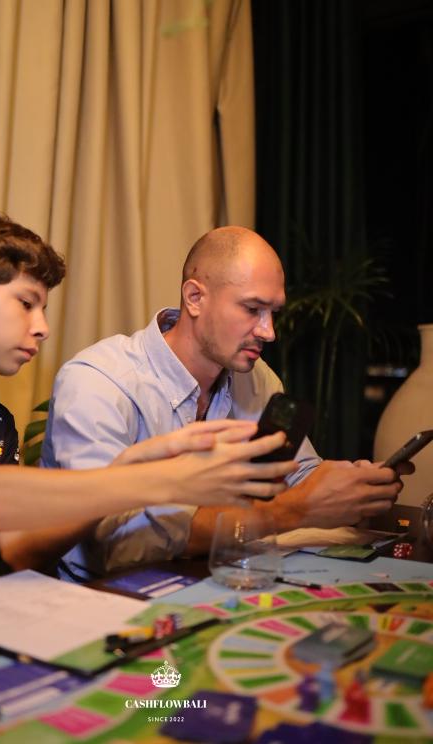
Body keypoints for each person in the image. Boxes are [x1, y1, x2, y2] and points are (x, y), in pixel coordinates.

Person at [0, 211, 296, 639]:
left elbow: (16, 548)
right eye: (26, 304)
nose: (42, 328)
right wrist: (162, 480)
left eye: (43, 309)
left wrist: (123, 470)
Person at [41, 226, 406, 577]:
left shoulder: (257, 377)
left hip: (209, 577)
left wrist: (351, 485)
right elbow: (112, 542)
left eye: (273, 313)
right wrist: (292, 511)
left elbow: (297, 474)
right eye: (252, 309)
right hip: (102, 596)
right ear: (194, 298)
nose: (269, 332)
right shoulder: (98, 383)